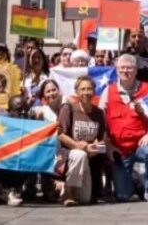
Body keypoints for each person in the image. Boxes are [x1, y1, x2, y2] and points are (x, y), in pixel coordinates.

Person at [103, 53, 148, 203]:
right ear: (117, 70)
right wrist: (108, 145)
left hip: (141, 144)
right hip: (119, 149)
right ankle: (135, 183)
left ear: (136, 71)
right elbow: (100, 121)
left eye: (130, 68)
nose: (126, 71)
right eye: (122, 68)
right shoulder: (108, 91)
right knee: (123, 196)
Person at [56, 75, 107, 206]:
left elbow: (102, 137)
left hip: (89, 160)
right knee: (80, 154)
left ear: (94, 91)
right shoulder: (68, 108)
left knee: (84, 199)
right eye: (82, 89)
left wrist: (97, 146)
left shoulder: (99, 113)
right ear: (77, 91)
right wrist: (78, 146)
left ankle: (68, 189)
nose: (86, 93)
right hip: (70, 155)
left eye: (89, 89)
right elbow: (60, 134)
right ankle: (68, 192)